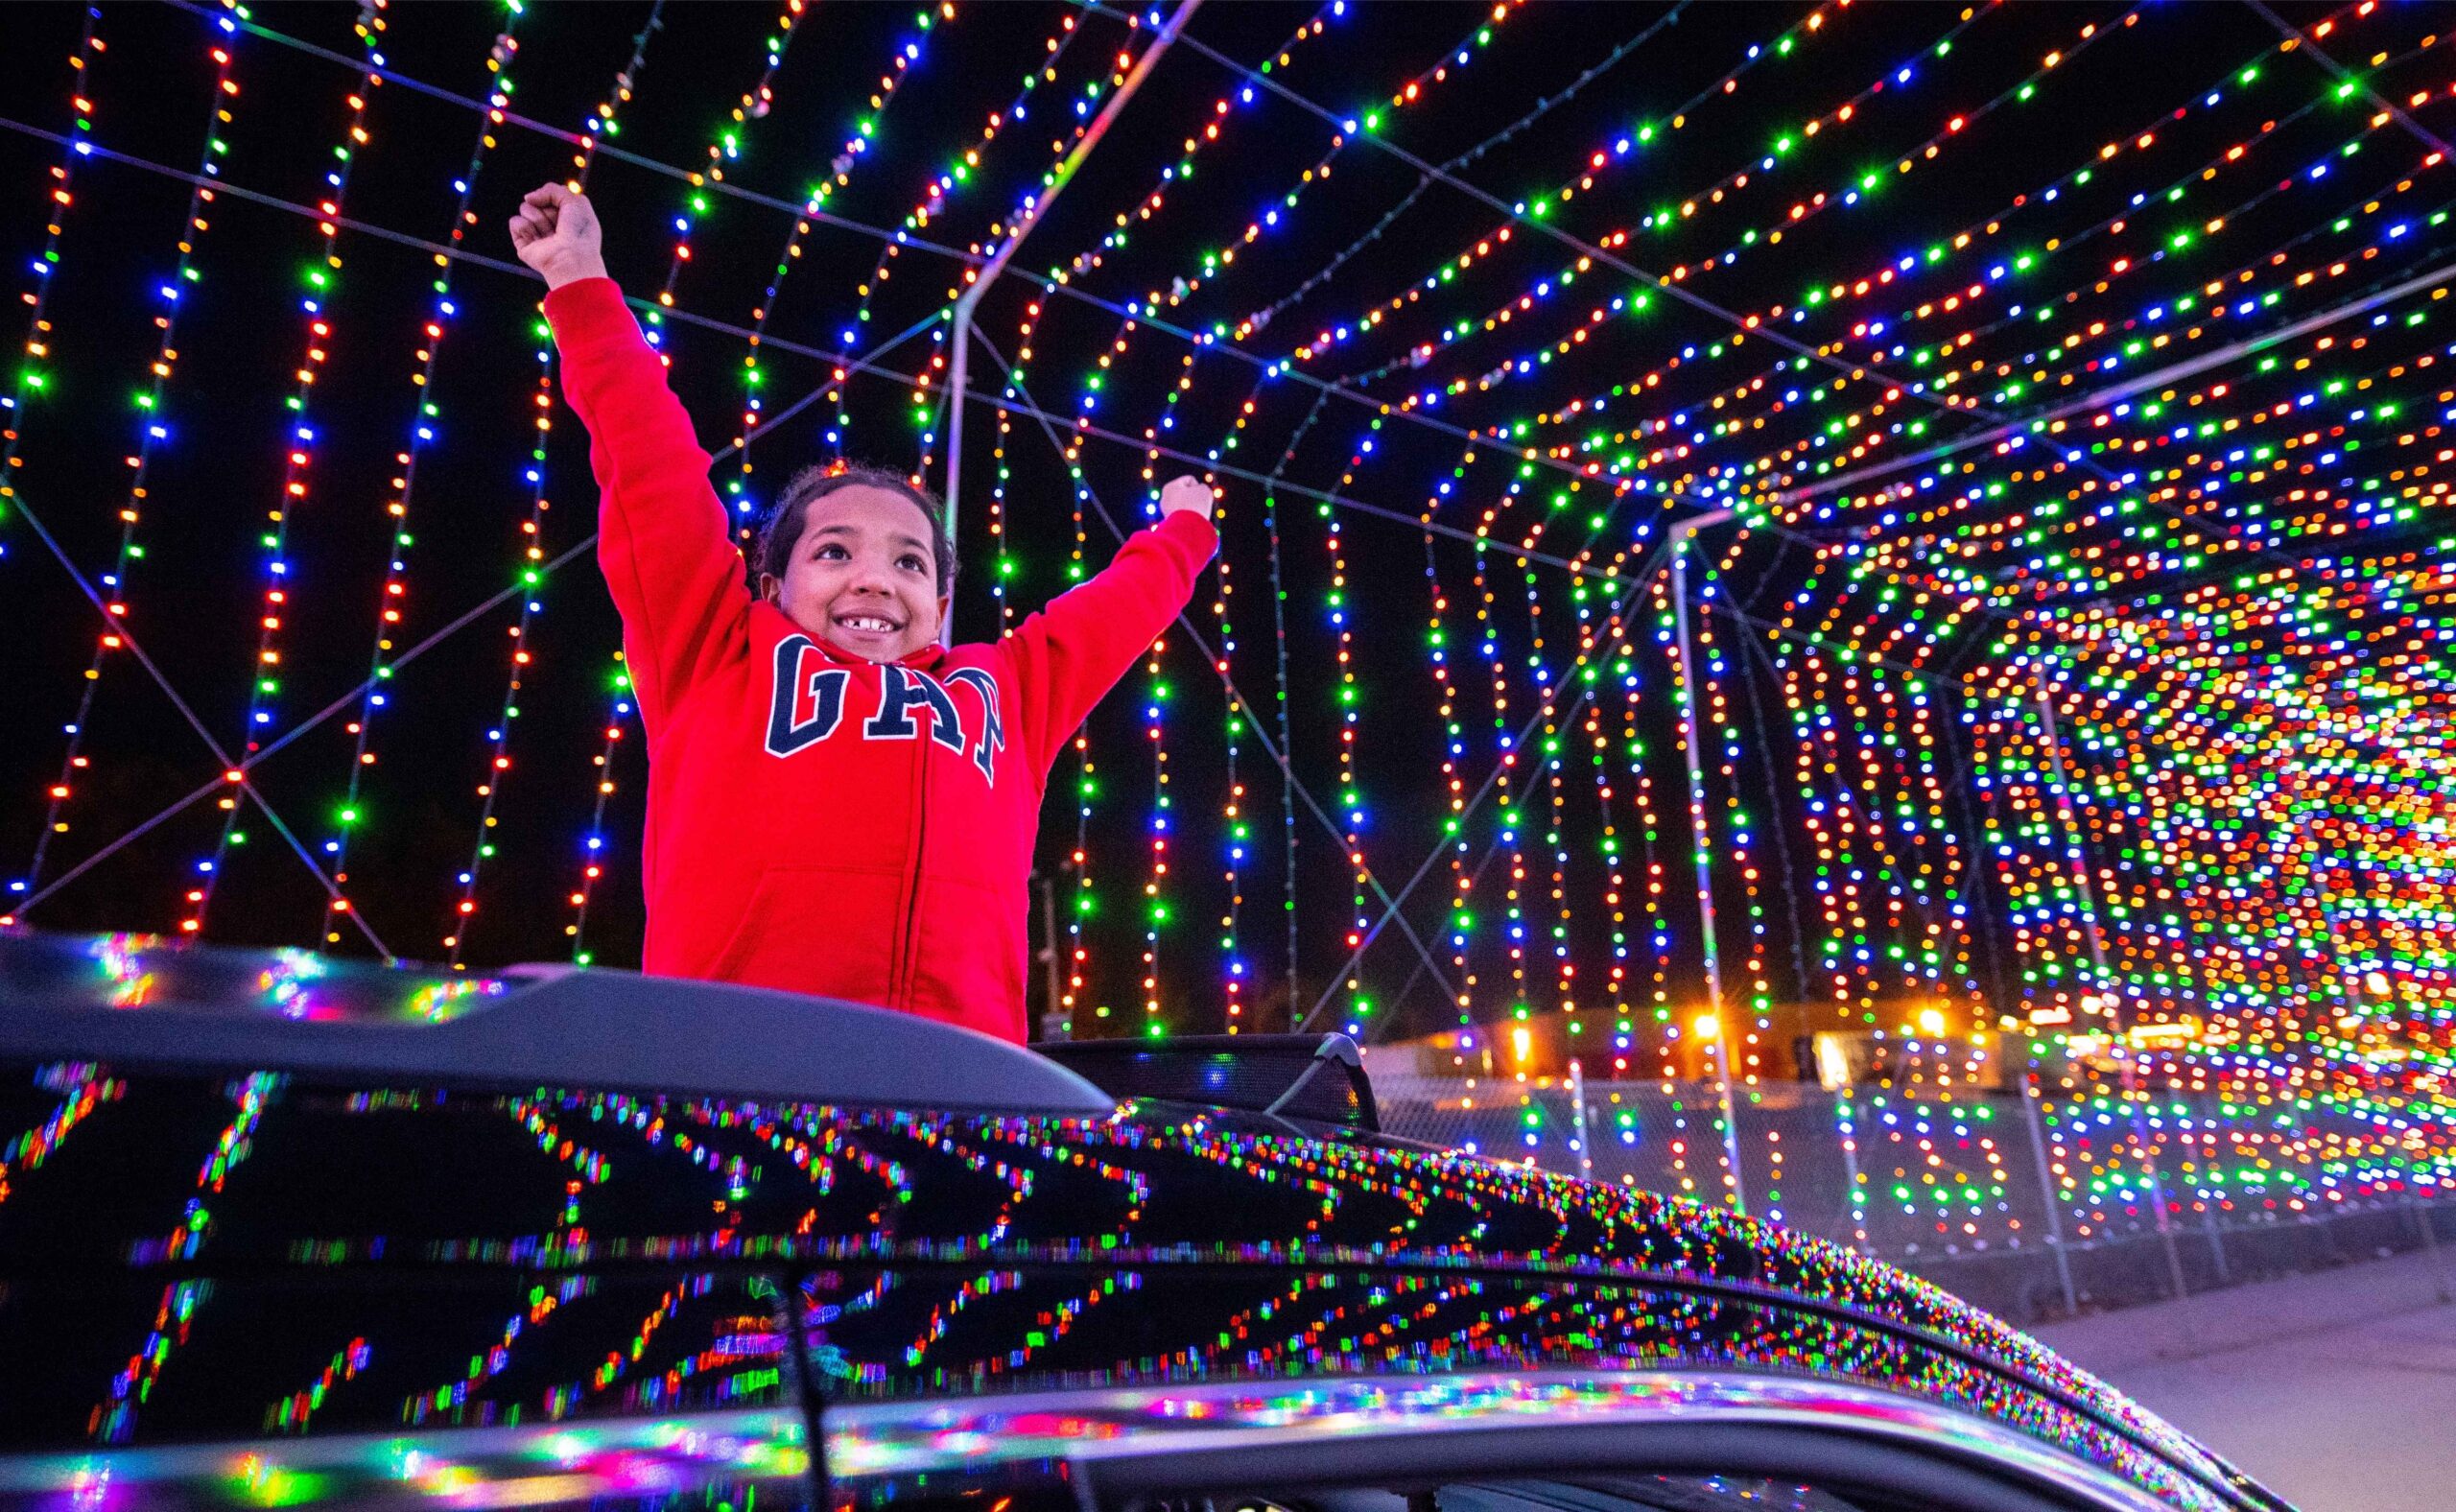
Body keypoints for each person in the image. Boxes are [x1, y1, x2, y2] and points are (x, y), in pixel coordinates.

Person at [509, 182, 1216, 1044]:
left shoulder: (1007, 692)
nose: (876, 581)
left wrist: (1184, 531)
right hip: (735, 1078)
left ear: (943, 605)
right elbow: (651, 470)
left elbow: (1116, 609)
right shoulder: (715, 649)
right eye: (835, 552)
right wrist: (579, 279)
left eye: (909, 563)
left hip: (961, 1094)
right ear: (772, 585)